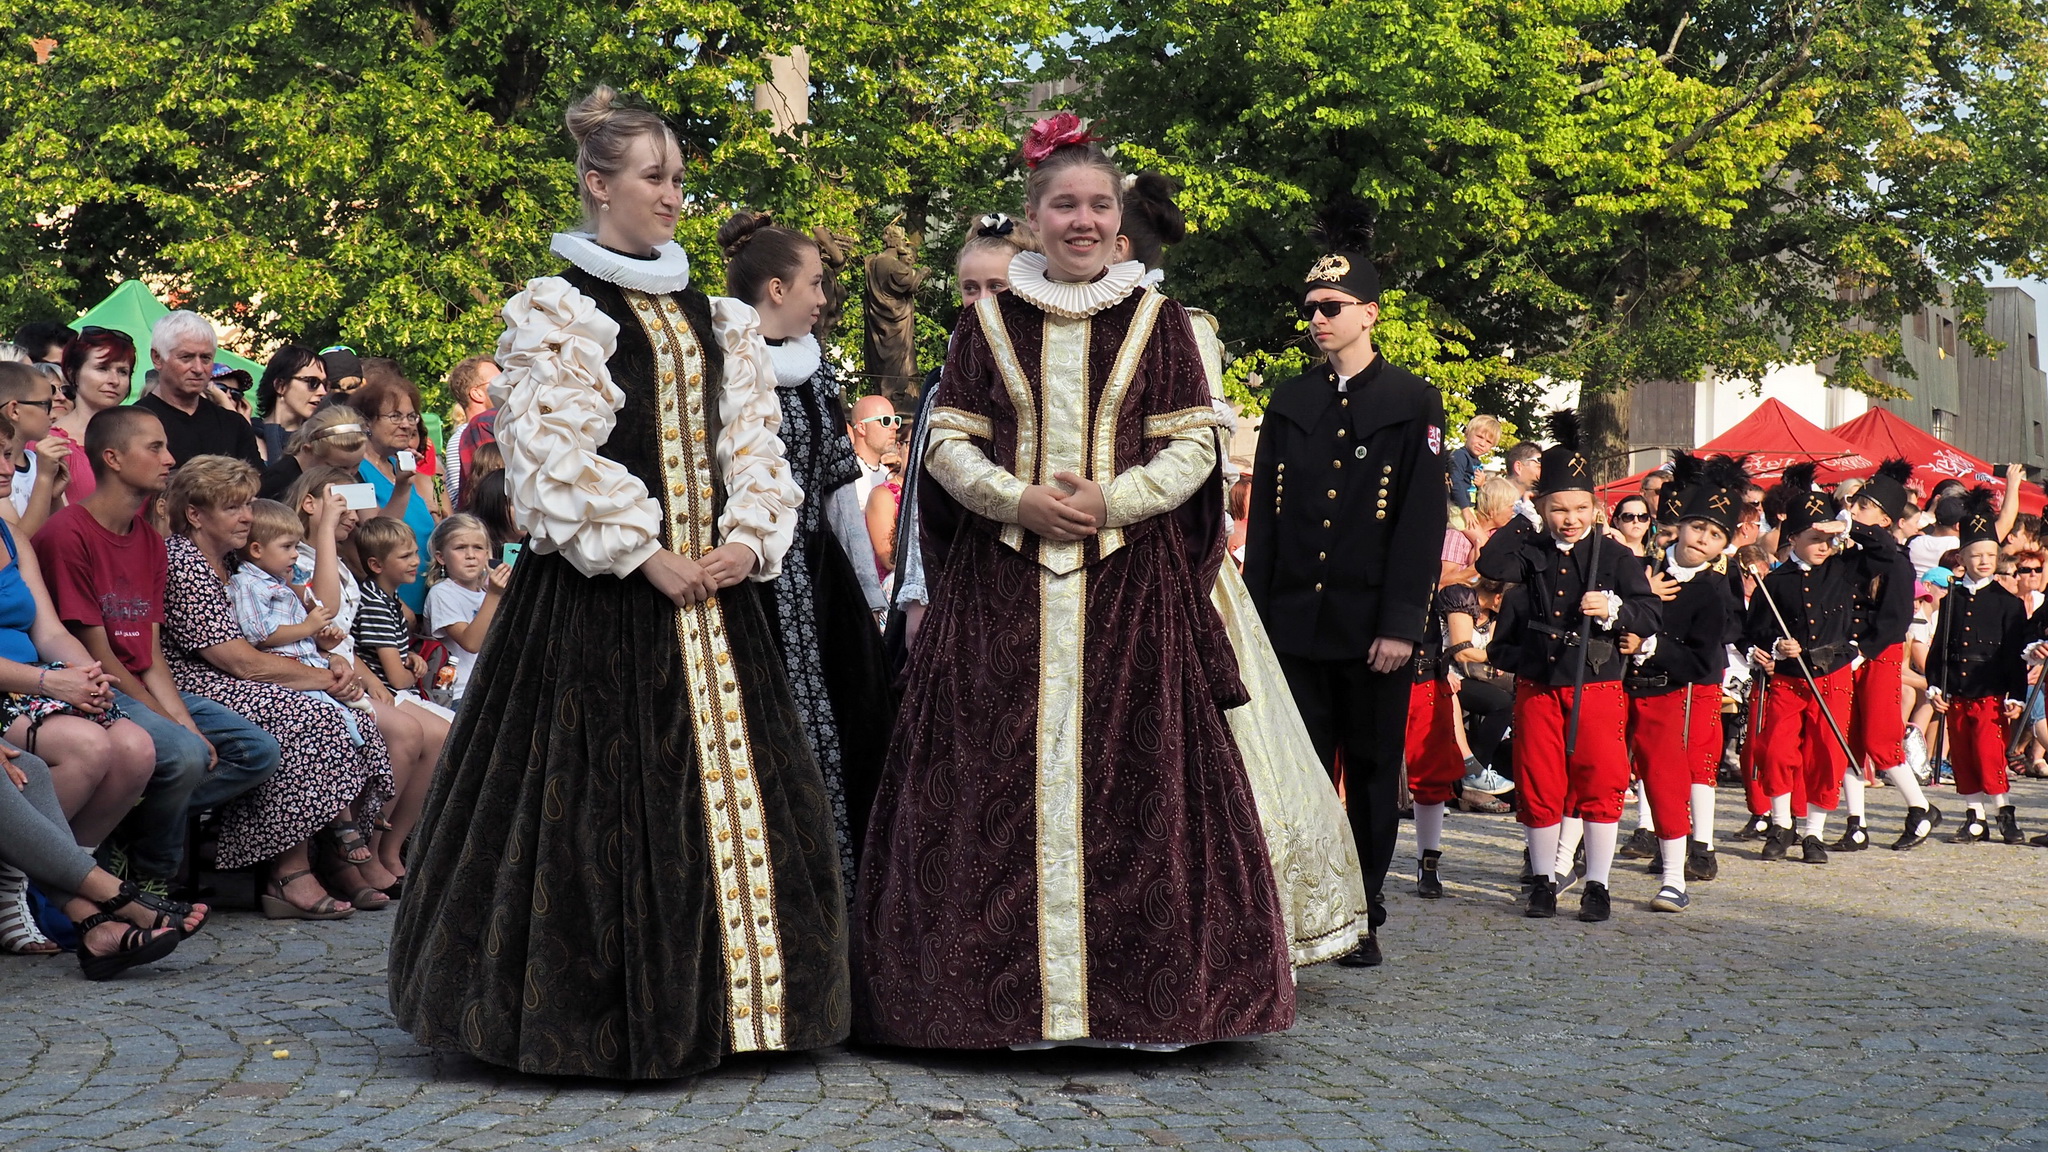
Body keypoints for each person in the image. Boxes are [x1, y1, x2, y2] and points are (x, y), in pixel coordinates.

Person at [387, 85, 846, 1079]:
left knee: (750, 802)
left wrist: (746, 540)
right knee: (591, 812)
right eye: (653, 177)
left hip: (717, 597)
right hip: (600, 604)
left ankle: (746, 1012)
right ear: (598, 185)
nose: (673, 195)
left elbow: (754, 446)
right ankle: (597, 1019)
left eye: (677, 178)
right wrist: (644, 552)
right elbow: (546, 457)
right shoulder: (559, 310)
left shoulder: (718, 320)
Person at [857, 114, 1293, 1047]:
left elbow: (1193, 447)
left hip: (1131, 592)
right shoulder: (985, 322)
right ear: (1036, 217)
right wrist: (1019, 502)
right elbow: (947, 442)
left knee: (1136, 787)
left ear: (1118, 218)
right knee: (990, 783)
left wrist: (1112, 502)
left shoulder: (1161, 322)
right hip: (1001, 594)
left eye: (1098, 204)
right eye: (1064, 205)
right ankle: (991, 1005)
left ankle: (1141, 1007)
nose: (1083, 220)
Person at [1116, 171, 1370, 966]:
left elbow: (1200, 469)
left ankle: (1227, 921)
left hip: (1168, 560)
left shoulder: (1180, 329)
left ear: (1119, 246)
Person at [1242, 244, 1448, 964]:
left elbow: (1420, 523)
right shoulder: (1290, 400)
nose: (1317, 319)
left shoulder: (1413, 401)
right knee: (1294, 770)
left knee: (1369, 768)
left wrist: (1402, 623)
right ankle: (1300, 908)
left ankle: (1363, 908)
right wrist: (1256, 620)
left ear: (1370, 314)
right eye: (1309, 309)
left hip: (1370, 627)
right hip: (1295, 621)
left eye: (1332, 307)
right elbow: (1266, 526)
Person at [34, 407, 283, 893]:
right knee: (186, 755)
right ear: (113, 458)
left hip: (137, 683)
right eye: (155, 448)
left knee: (256, 750)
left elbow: (148, 650)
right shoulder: (68, 533)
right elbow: (97, 652)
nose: (170, 458)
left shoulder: (149, 539)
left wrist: (182, 719)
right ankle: (153, 877)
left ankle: (121, 823)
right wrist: (173, 726)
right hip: (92, 683)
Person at [718, 211, 892, 892]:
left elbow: (838, 495)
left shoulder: (817, 374)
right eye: (814, 283)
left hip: (820, 578)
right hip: (750, 579)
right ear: (776, 289)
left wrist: (868, 594)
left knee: (852, 720)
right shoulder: (722, 369)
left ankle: (845, 887)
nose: (823, 297)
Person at [161, 455, 393, 919]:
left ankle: (331, 856)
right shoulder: (183, 561)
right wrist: (326, 680)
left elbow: (309, 615)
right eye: (233, 507)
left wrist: (330, 662)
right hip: (195, 682)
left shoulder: (235, 559)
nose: (247, 516)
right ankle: (287, 873)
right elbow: (238, 661)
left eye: (249, 504)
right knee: (309, 717)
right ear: (195, 514)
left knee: (350, 720)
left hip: (241, 677)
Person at [1477, 410, 1661, 922]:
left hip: (1596, 682)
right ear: (1543, 508)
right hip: (1539, 684)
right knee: (1539, 781)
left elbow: (1649, 611)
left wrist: (1614, 608)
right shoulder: (1531, 548)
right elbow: (1491, 564)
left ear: (1595, 508)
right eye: (1558, 508)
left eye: (1580, 508)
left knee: (1601, 780)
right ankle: (1542, 880)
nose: (1570, 519)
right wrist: (1523, 518)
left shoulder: (1613, 556)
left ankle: (1597, 884)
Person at [0, 411, 159, 909]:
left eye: (8, 454)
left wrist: (88, 674)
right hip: (14, 688)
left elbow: (48, 630)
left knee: (137, 747)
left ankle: (66, 879)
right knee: (87, 746)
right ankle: (25, 887)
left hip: (36, 682)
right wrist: (51, 683)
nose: (7, 467)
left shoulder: (10, 536)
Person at [883, 212, 1037, 665]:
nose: (982, 301)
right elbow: (922, 498)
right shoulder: (945, 381)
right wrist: (918, 596)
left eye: (997, 287)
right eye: (971, 289)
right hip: (959, 573)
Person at [283, 466, 443, 893]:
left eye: (354, 504)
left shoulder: (341, 560)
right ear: (310, 504)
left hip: (347, 668)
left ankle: (387, 847)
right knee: (406, 733)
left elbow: (346, 635)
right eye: (341, 502)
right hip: (316, 672)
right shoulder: (295, 558)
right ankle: (354, 856)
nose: (352, 514)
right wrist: (365, 675)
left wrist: (368, 673)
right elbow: (325, 620)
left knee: (441, 735)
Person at [1619, 454, 1745, 912]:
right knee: (1601, 771)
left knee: (1673, 776)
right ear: (1681, 526)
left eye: (1715, 535)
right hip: (1616, 686)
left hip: (1673, 689)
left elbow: (1708, 646)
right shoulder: (1639, 566)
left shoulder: (1713, 587)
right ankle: (1566, 861)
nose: (1702, 539)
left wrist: (1651, 644)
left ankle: (1680, 868)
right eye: (1698, 528)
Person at [1743, 464, 1887, 862]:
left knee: (1826, 753)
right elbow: (1756, 629)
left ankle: (1813, 833)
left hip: (1832, 674)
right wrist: (1775, 645)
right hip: (1788, 678)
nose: (1823, 546)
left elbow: (1886, 554)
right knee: (1776, 750)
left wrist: (1848, 526)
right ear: (1793, 538)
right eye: (1815, 539)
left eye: (1828, 539)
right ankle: (1781, 824)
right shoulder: (1776, 581)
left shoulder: (1845, 569)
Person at [1843, 457, 1943, 849]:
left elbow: (1895, 620)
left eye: (1863, 506)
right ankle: (1856, 823)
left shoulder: (1896, 562)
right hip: (1847, 654)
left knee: (1879, 738)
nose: (1853, 511)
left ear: (1885, 520)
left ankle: (1920, 808)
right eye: (1854, 503)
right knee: (1847, 737)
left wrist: (1863, 651)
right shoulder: (1852, 555)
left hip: (1878, 656)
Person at [1934, 488, 2030, 844]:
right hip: (1957, 690)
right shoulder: (1952, 598)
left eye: (1990, 554)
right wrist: (1936, 684)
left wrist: (2016, 694)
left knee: (1990, 755)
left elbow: (2014, 655)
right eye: (1976, 555)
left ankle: (2004, 812)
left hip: (1990, 691)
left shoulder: (2008, 603)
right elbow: (1940, 646)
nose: (1984, 561)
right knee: (1963, 757)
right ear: (1962, 557)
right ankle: (1975, 817)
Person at [349, 368, 445, 611]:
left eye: (411, 417)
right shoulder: (353, 471)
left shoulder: (398, 466)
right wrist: (396, 604)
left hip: (425, 604)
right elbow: (375, 538)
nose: (406, 425)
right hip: (391, 609)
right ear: (367, 422)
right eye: (395, 416)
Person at [134, 313, 262, 468]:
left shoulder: (233, 425)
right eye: (186, 357)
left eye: (206, 358)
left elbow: (257, 480)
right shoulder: (133, 424)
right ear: (157, 358)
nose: (198, 369)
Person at [424, 514, 509, 703]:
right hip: (459, 694)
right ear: (441, 557)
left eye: (478, 547)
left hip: (492, 689)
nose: (470, 555)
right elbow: (471, 643)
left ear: (487, 554)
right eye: (460, 548)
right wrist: (494, 595)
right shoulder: (442, 593)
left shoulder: (487, 592)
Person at [51, 328, 138, 505]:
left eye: (122, 371)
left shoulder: (142, 435)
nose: (114, 380)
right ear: (73, 373)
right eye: (102, 368)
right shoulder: (51, 443)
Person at [350, 516, 430, 694]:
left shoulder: (385, 595)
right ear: (376, 565)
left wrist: (409, 657)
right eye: (405, 556)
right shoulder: (375, 606)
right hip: (390, 694)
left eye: (415, 553)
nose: (416, 561)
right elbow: (398, 680)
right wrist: (416, 675)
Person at [0, 361, 71, 535]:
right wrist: (44, 478)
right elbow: (17, 543)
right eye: (46, 405)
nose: (52, 414)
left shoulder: (37, 460)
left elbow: (62, 533)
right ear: (14, 410)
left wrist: (54, 497)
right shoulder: (4, 471)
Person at [257, 404, 370, 501]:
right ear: (308, 451)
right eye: (339, 468)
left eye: (357, 465)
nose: (349, 474)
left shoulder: (352, 473)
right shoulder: (278, 485)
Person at [252, 346, 330, 464]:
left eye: (324, 384)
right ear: (280, 385)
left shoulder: (320, 442)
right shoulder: (246, 433)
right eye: (312, 382)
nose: (322, 392)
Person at [441, 356, 499, 507]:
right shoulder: (464, 437)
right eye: (499, 380)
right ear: (477, 393)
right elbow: (463, 502)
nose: (508, 384)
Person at [847, 394, 898, 508]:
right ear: (862, 428)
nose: (895, 426)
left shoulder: (885, 473)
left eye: (896, 420)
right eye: (886, 420)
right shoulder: (847, 474)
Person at [1449, 416, 1498, 511]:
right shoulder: (1460, 456)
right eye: (1479, 437)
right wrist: (1465, 509)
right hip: (1457, 507)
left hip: (1470, 506)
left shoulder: (1477, 462)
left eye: (1488, 442)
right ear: (1467, 434)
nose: (1482, 444)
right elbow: (1455, 482)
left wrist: (1481, 485)